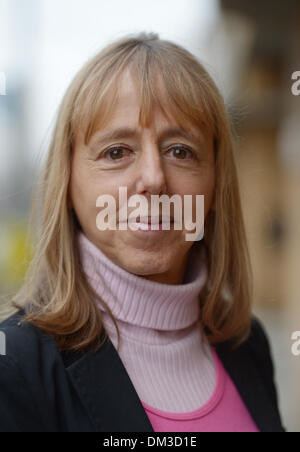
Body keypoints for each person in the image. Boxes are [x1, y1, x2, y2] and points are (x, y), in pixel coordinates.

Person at [0, 32, 286, 432]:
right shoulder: (15, 366)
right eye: (117, 152)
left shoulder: (247, 345)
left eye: (180, 151)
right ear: (67, 184)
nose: (153, 179)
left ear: (216, 185)